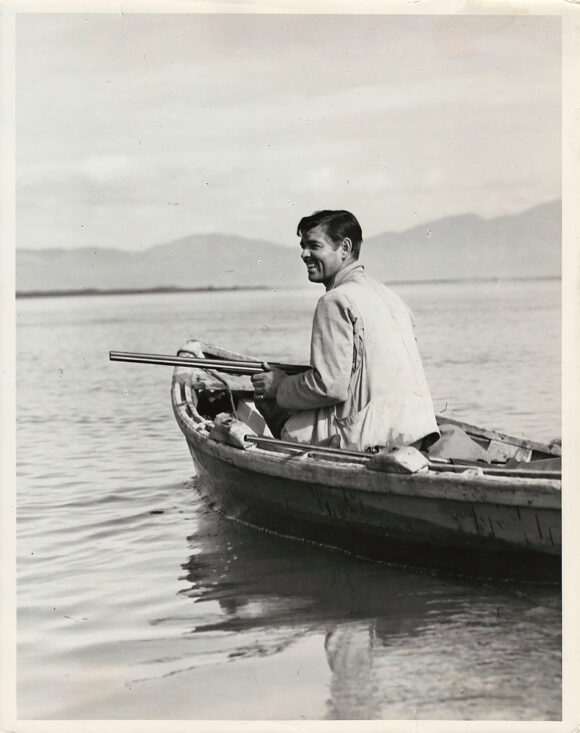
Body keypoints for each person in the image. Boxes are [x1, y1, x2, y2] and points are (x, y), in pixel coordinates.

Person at [251, 210, 439, 452]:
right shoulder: (391, 298)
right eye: (303, 246)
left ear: (344, 248)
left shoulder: (335, 300)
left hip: (373, 438)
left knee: (269, 401)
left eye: (314, 246)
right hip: (417, 430)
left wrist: (280, 387)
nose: (304, 254)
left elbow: (330, 386)